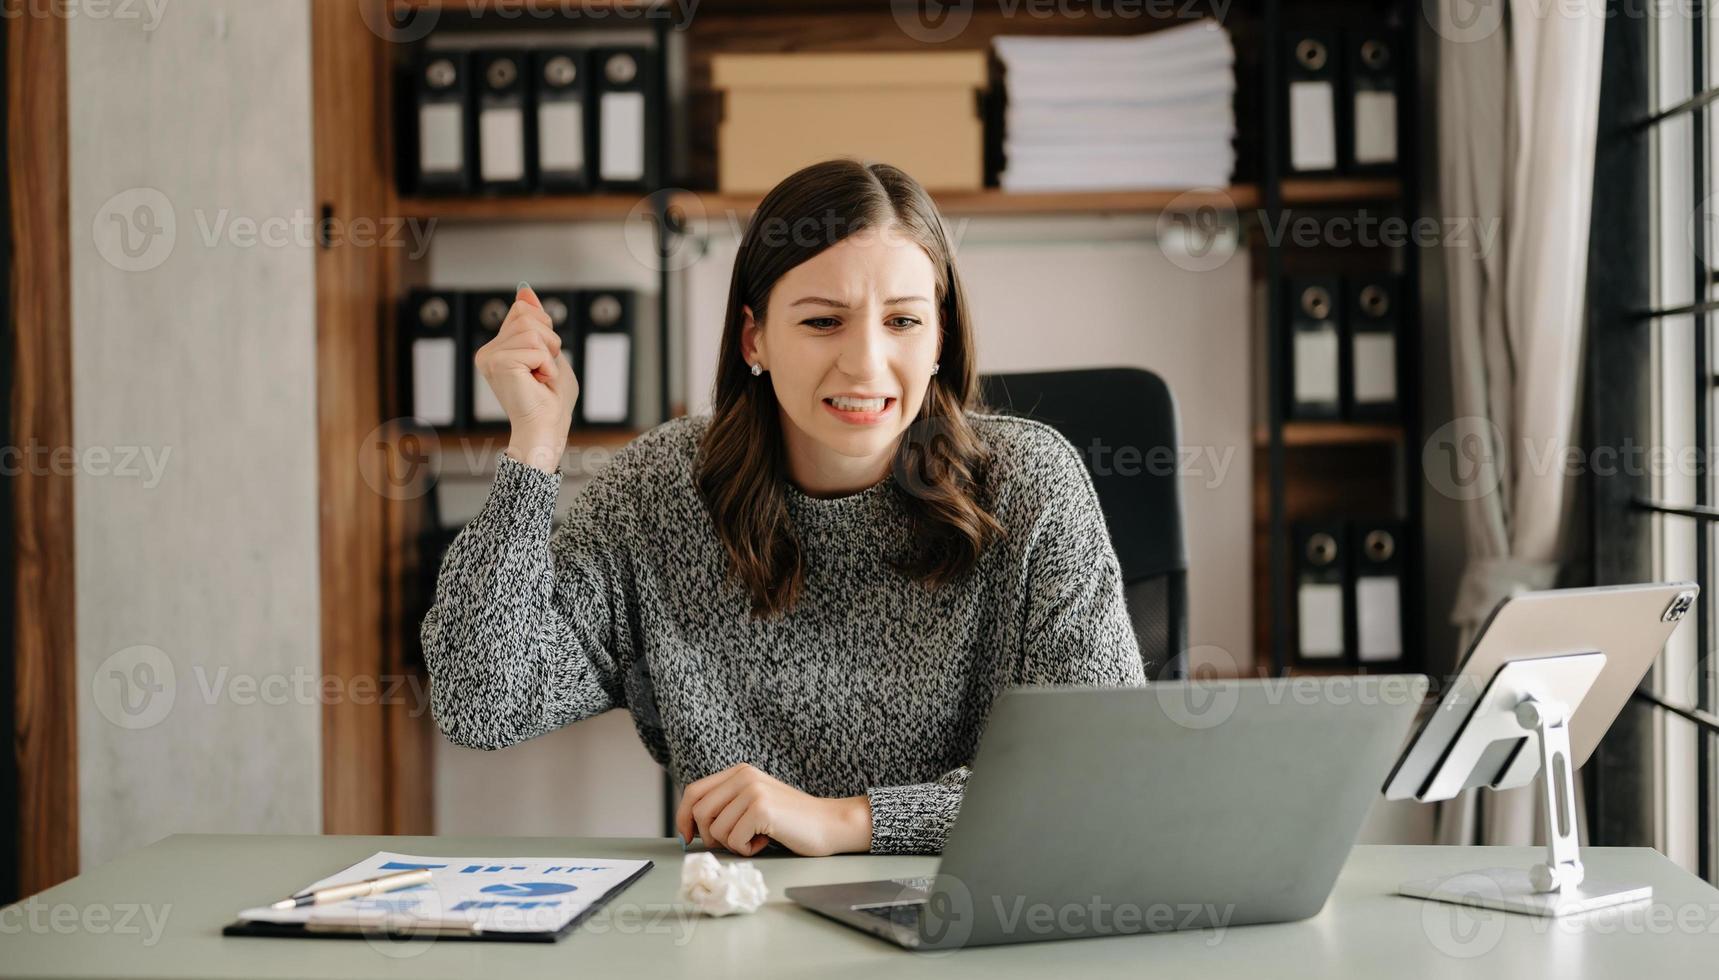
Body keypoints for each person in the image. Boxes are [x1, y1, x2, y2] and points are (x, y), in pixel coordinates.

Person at [420, 158, 1145, 858]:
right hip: (743, 925)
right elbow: (484, 702)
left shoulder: (1030, 485)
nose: (865, 363)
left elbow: (1101, 781)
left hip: (972, 917)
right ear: (754, 338)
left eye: (901, 322)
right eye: (823, 322)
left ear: (940, 339)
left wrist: (845, 821)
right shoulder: (657, 492)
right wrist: (533, 448)